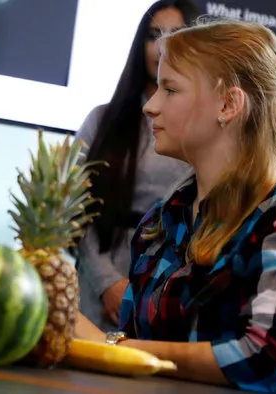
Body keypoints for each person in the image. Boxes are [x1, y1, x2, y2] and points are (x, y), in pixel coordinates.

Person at [75, 19, 276, 393]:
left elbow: (266, 357)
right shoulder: (161, 220)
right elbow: (133, 340)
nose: (151, 106)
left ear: (228, 104)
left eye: (170, 89)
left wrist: (119, 348)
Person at [76, 0, 198, 331]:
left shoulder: (202, 129)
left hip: (171, 286)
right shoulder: (102, 120)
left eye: (176, 34)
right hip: (97, 280)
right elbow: (73, 209)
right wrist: (107, 284)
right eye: (154, 34)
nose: (163, 46)